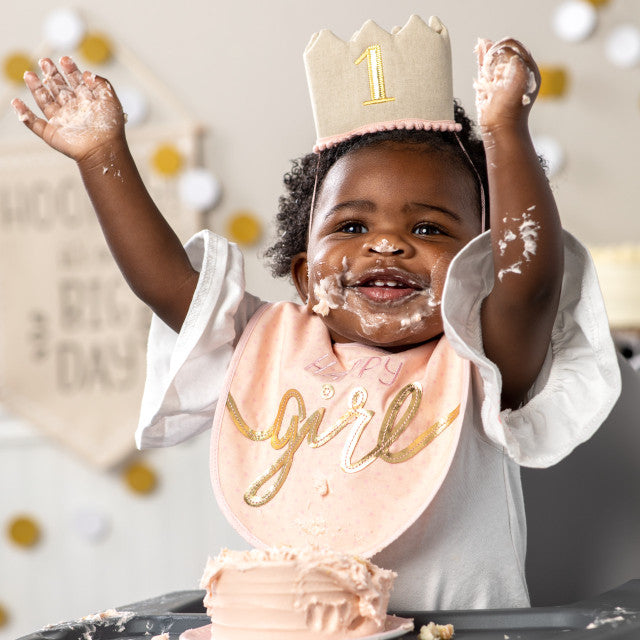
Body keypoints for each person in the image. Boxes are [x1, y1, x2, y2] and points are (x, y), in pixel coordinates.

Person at [12, 16, 620, 611]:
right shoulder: (264, 343)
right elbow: (165, 282)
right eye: (352, 225)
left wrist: (505, 132)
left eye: (428, 227)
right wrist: (101, 155)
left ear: (475, 268)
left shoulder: (481, 357)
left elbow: (529, 287)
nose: (386, 244)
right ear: (304, 275)